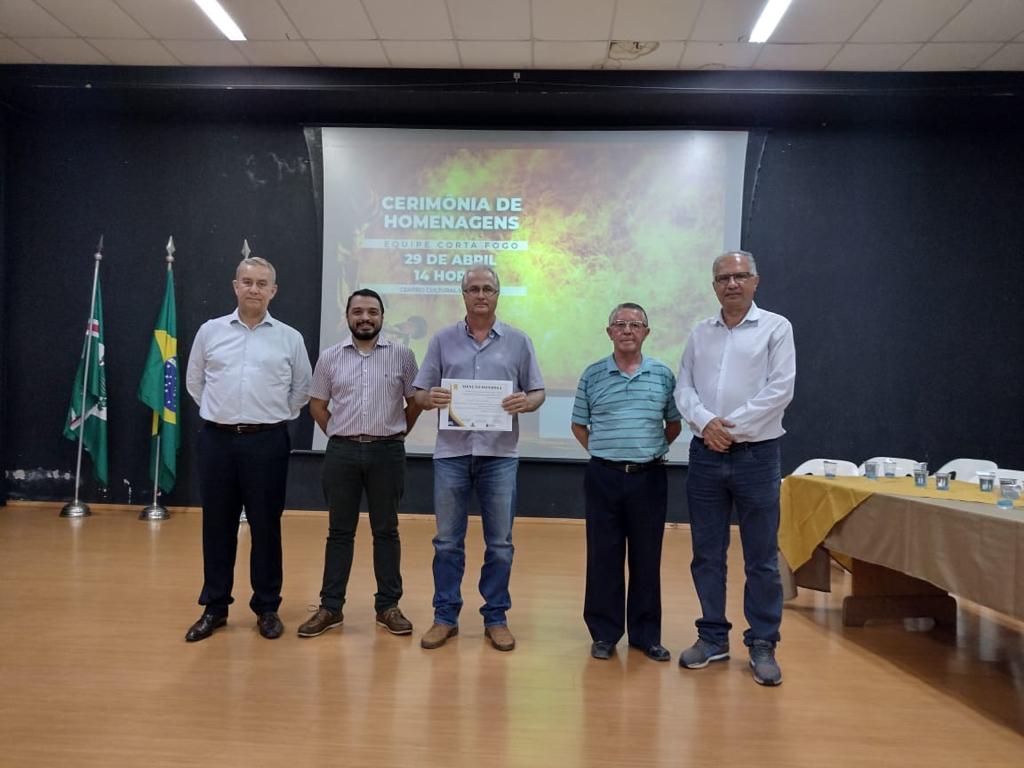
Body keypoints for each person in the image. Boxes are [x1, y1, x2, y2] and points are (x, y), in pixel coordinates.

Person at [674, 250, 795, 686]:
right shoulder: (699, 333)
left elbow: (780, 390)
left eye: (740, 276)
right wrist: (707, 424)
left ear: (755, 281)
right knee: (707, 555)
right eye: (723, 278)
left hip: (756, 457)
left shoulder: (776, 328)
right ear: (714, 285)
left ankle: (762, 642)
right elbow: (684, 387)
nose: (732, 284)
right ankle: (712, 638)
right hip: (705, 456)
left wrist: (728, 428)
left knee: (761, 558)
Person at [413, 266, 545, 652]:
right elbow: (419, 393)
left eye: (488, 288)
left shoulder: (519, 341)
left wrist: (526, 402)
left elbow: (537, 392)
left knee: (500, 543)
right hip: (451, 454)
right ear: (463, 294)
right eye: (474, 289)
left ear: (498, 295)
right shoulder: (442, 340)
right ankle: (445, 617)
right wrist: (429, 398)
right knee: (446, 542)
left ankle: (496, 618)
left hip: (500, 455)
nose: (481, 295)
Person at [184, 256, 312, 642]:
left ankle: (267, 607)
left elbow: (301, 390)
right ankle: (215, 606)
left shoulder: (290, 338)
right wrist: (223, 413)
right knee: (217, 525)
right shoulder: (210, 331)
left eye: (261, 283)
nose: (254, 289)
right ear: (235, 286)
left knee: (266, 525)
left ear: (273, 291)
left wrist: (269, 417)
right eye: (247, 281)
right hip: (217, 441)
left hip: (267, 441)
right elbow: (195, 382)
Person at [297, 289, 422, 638]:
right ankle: (330, 607)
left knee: (387, 531)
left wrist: (398, 432)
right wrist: (339, 434)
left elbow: (414, 402)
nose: (365, 318)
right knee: (339, 532)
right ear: (348, 317)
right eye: (358, 312)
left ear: (382, 316)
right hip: (342, 454)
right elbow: (317, 405)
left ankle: (388, 607)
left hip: (387, 453)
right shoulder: (330, 357)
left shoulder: (403, 356)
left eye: (372, 312)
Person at [571, 303, 682, 662]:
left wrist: (647, 451)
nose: (627, 330)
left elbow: (673, 424)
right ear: (609, 333)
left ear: (646, 332)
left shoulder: (662, 374)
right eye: (620, 324)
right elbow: (578, 424)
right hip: (603, 477)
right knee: (603, 557)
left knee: (647, 558)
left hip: (649, 478)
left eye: (635, 325)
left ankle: (645, 636)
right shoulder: (592, 375)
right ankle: (604, 634)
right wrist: (605, 452)